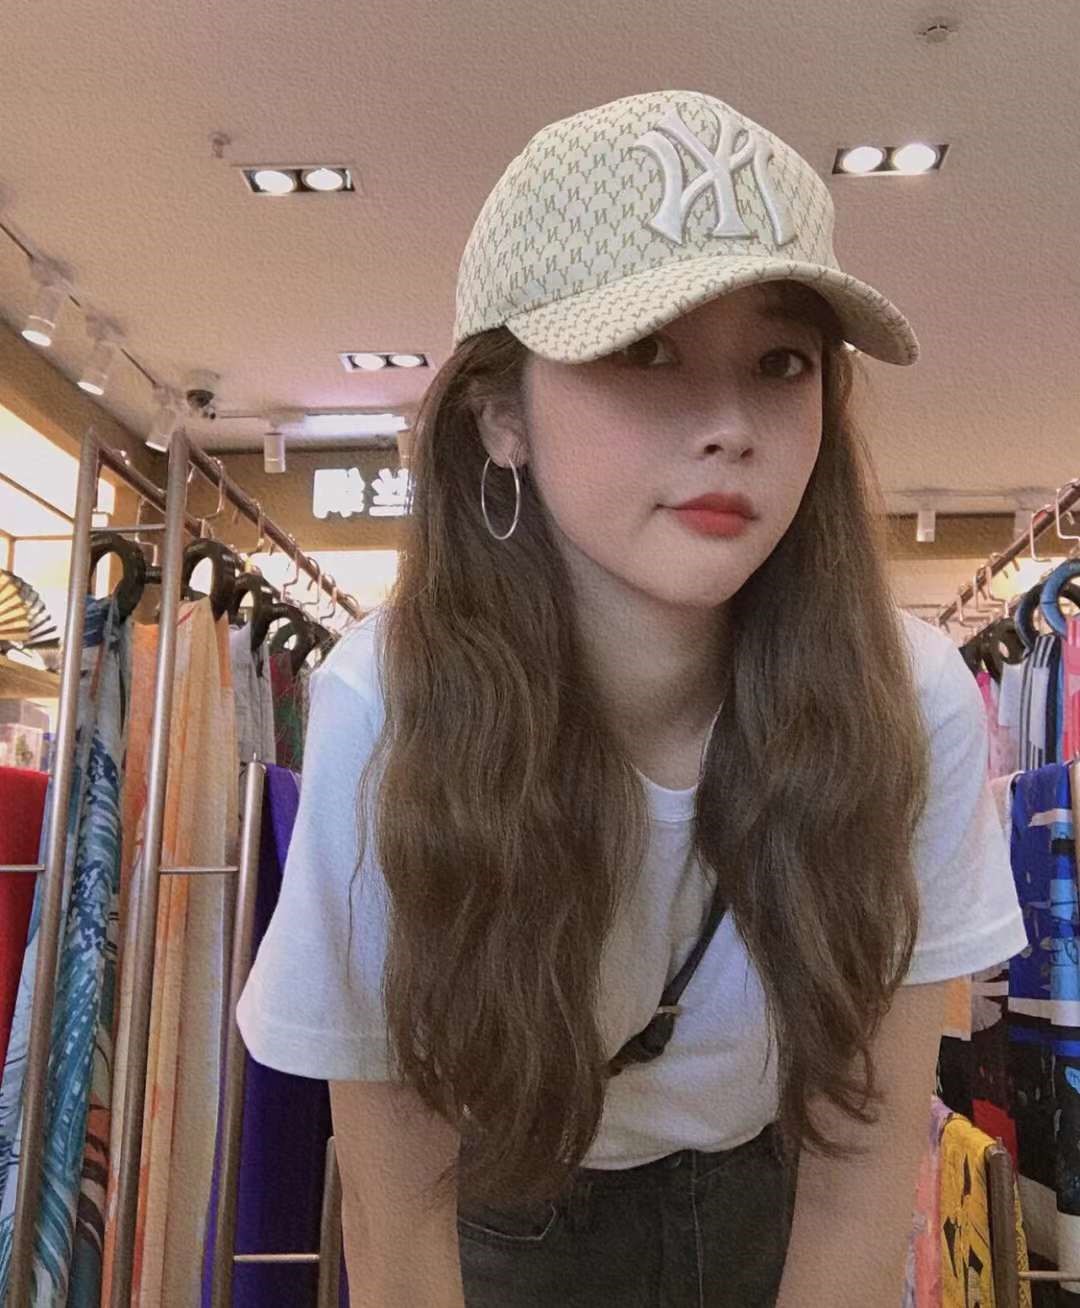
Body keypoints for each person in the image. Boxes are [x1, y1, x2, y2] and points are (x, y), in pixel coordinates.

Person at [236, 89, 1028, 1307]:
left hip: (777, 1201)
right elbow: (397, 1205)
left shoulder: (907, 696)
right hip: (509, 1210)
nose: (731, 426)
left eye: (781, 363)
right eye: (644, 349)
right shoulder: (392, 705)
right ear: (501, 416)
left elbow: (866, 1167)